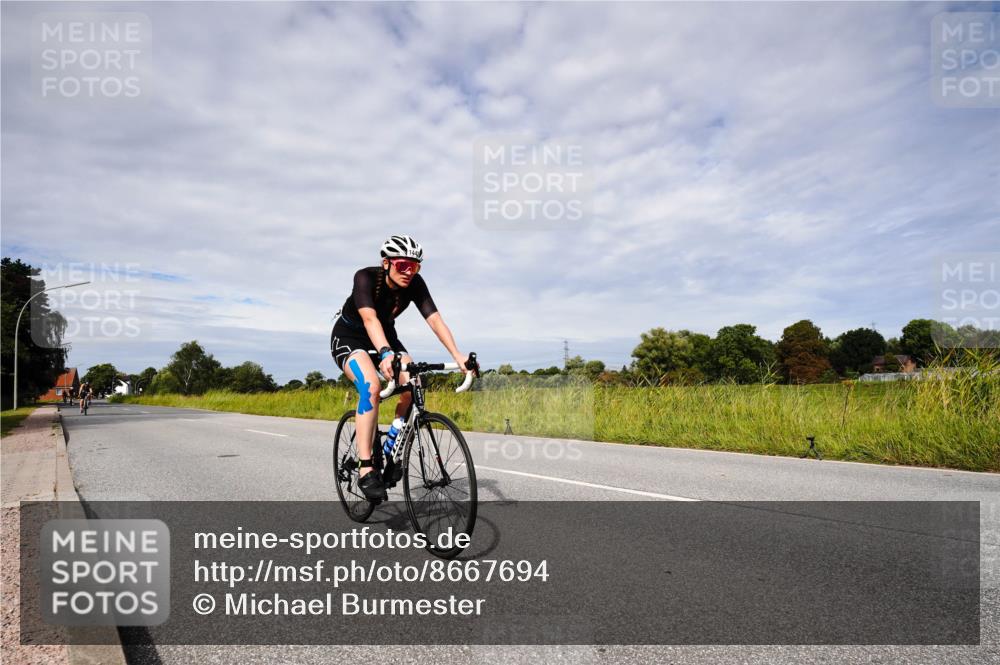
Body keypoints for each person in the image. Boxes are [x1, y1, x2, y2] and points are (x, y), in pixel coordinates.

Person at [330, 235, 470, 502]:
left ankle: (393, 444)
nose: (409, 272)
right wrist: (384, 354)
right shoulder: (365, 278)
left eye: (414, 266)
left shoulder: (415, 284)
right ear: (387, 263)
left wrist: (457, 355)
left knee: (413, 383)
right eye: (403, 265)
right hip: (351, 338)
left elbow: (435, 320)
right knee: (370, 386)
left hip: (387, 337)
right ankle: (366, 467)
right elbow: (370, 319)